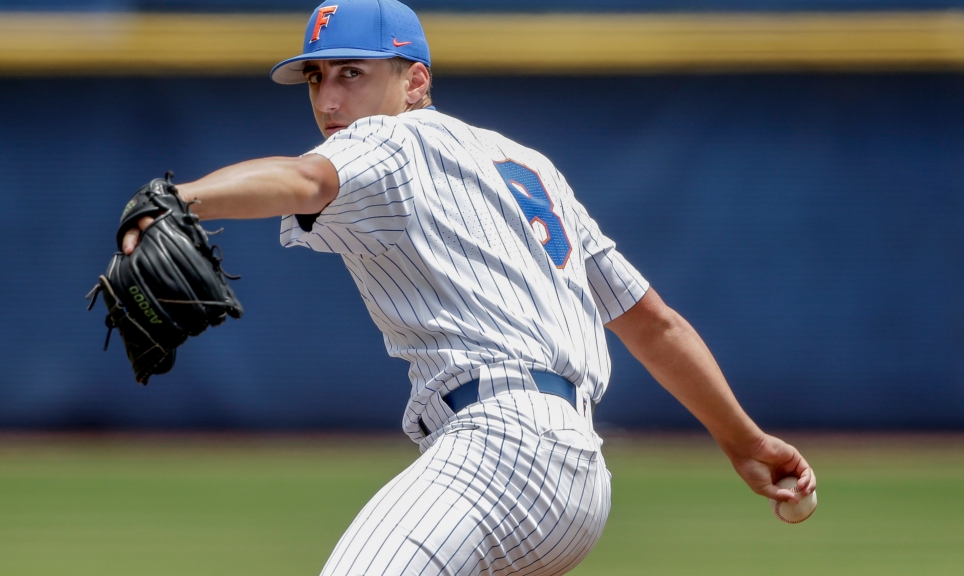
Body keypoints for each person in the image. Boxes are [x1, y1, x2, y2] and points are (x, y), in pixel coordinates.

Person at [122, 1, 816, 574]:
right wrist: (743, 440)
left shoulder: (393, 139)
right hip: (574, 475)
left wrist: (178, 201)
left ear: (415, 82)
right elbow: (652, 324)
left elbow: (305, 180)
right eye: (316, 78)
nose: (330, 99)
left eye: (352, 74)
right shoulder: (529, 165)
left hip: (503, 447)